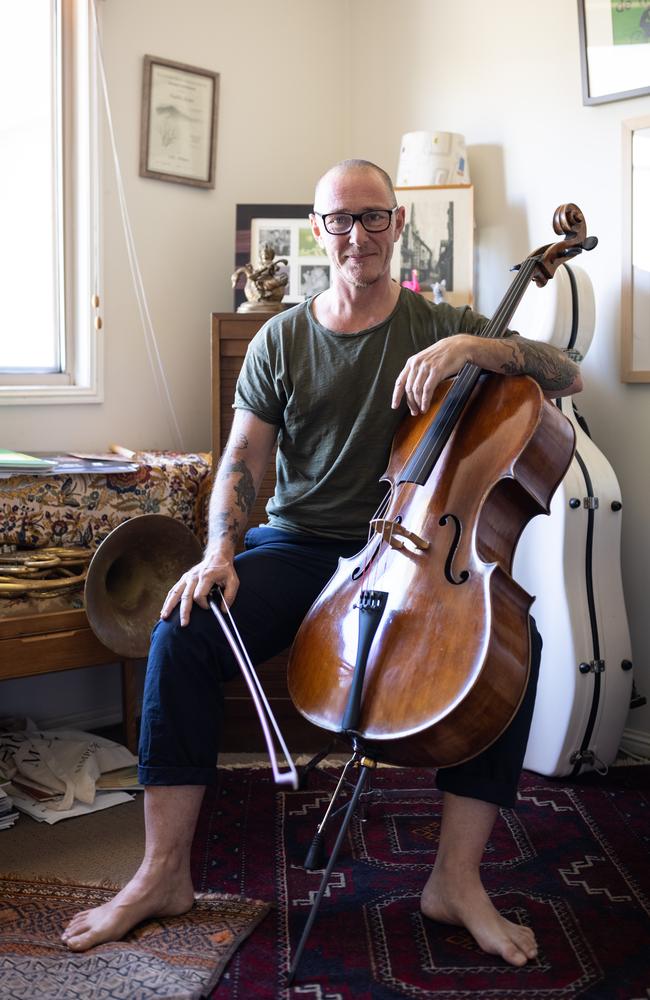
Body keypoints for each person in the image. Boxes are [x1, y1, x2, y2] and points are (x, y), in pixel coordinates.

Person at [62, 159, 582, 966]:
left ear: (397, 226)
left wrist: (478, 345)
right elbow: (242, 461)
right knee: (186, 624)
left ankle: (454, 882)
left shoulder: (442, 328)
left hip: (413, 550)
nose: (358, 235)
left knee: (513, 648)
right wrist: (218, 551)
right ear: (318, 231)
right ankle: (162, 873)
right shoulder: (283, 338)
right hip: (303, 545)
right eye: (341, 220)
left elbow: (568, 373)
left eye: (373, 217)